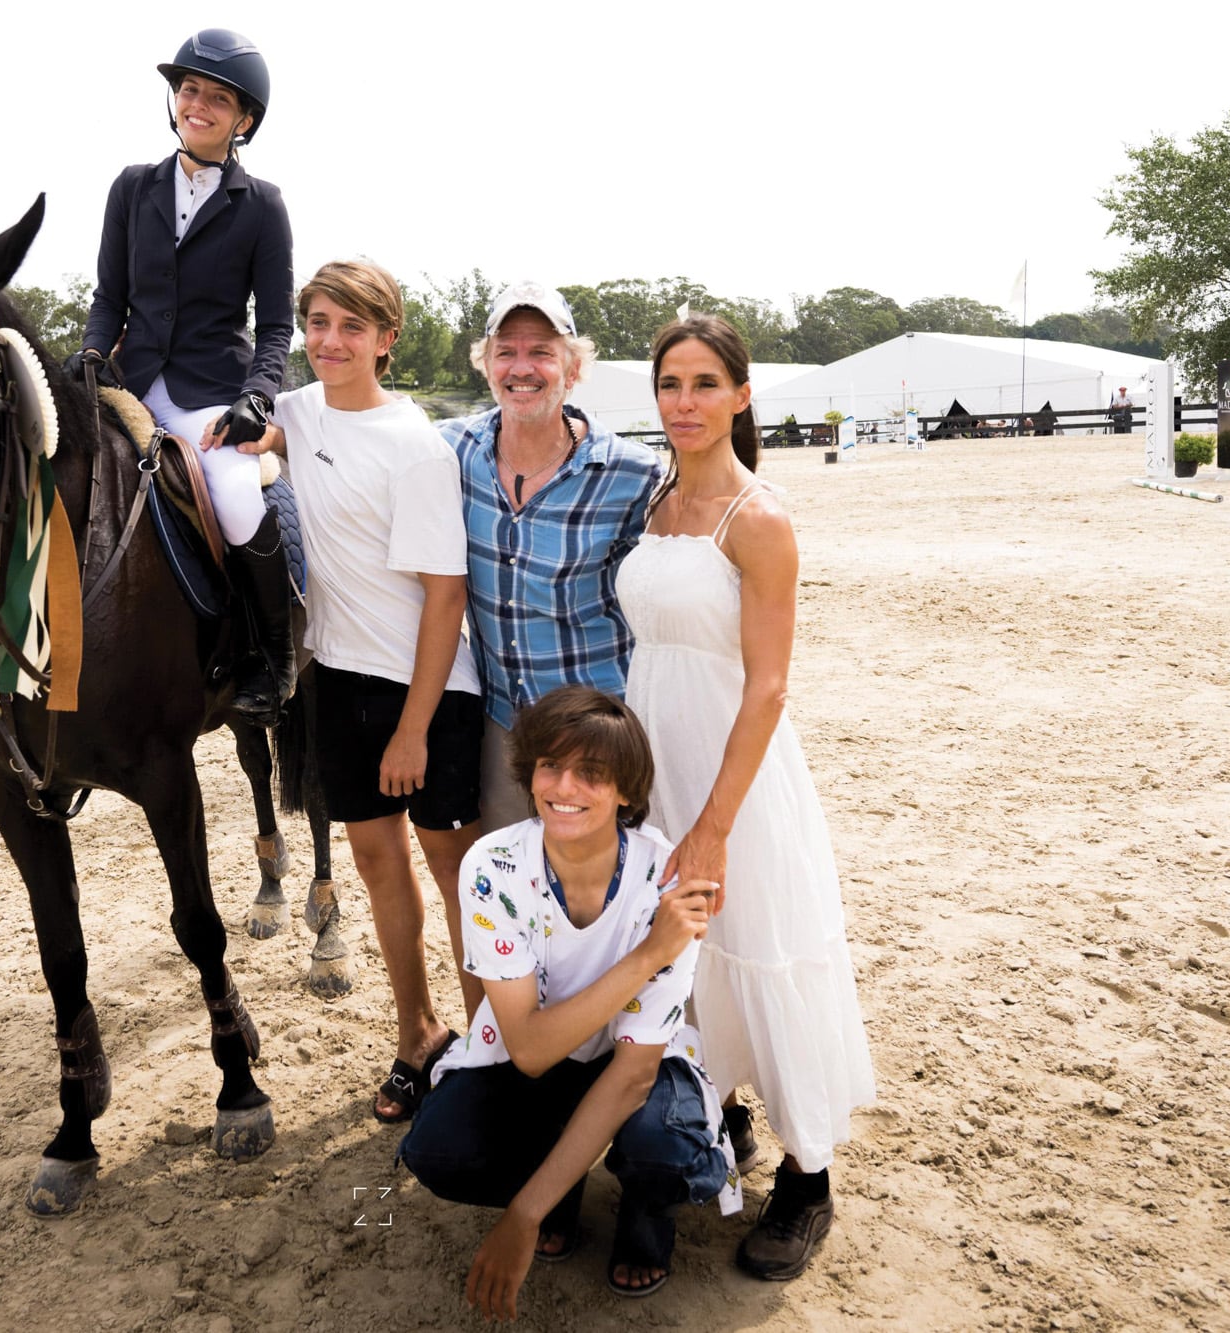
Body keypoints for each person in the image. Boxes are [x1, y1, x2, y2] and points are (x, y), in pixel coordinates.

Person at [617, 314, 876, 1281]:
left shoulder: (757, 519)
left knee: (759, 943)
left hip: (739, 774)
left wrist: (716, 823)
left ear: (741, 393)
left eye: (702, 384)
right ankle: (716, 1119)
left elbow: (768, 684)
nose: (683, 403)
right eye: (668, 385)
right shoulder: (654, 501)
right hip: (658, 756)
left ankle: (809, 1181)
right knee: (685, 958)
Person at [399, 686, 738, 1318]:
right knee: (437, 1149)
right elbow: (526, 1051)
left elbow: (634, 1075)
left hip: (635, 1068)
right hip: (539, 1064)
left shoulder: (666, 877)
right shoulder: (494, 866)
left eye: (593, 773)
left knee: (668, 1154)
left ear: (627, 792)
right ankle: (560, 1183)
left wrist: (520, 1218)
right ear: (528, 776)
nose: (565, 787)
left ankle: (642, 1218)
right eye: (550, 766)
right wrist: (646, 956)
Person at [239, 260, 481, 1124]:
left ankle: (490, 1050)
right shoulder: (299, 411)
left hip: (428, 691)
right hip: (336, 681)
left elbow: (445, 595)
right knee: (379, 868)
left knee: (458, 876)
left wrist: (415, 728)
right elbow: (260, 439)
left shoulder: (414, 446)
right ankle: (418, 1035)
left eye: (350, 326)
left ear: (386, 338)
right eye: (317, 322)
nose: (330, 341)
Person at [72, 28, 296, 725]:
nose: (196, 104)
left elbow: (277, 325)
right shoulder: (131, 187)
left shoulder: (262, 204)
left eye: (216, 98)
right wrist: (88, 352)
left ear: (243, 120)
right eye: (188, 90)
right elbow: (110, 296)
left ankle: (270, 656)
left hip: (209, 392)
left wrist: (258, 397)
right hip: (130, 381)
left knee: (234, 492)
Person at [438, 284, 662, 841]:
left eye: (541, 351)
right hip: (504, 729)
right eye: (506, 351)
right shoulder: (448, 451)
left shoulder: (632, 475)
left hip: (599, 727)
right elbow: (359, 446)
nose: (522, 367)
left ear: (573, 366)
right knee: (519, 894)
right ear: (485, 364)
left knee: (605, 896)